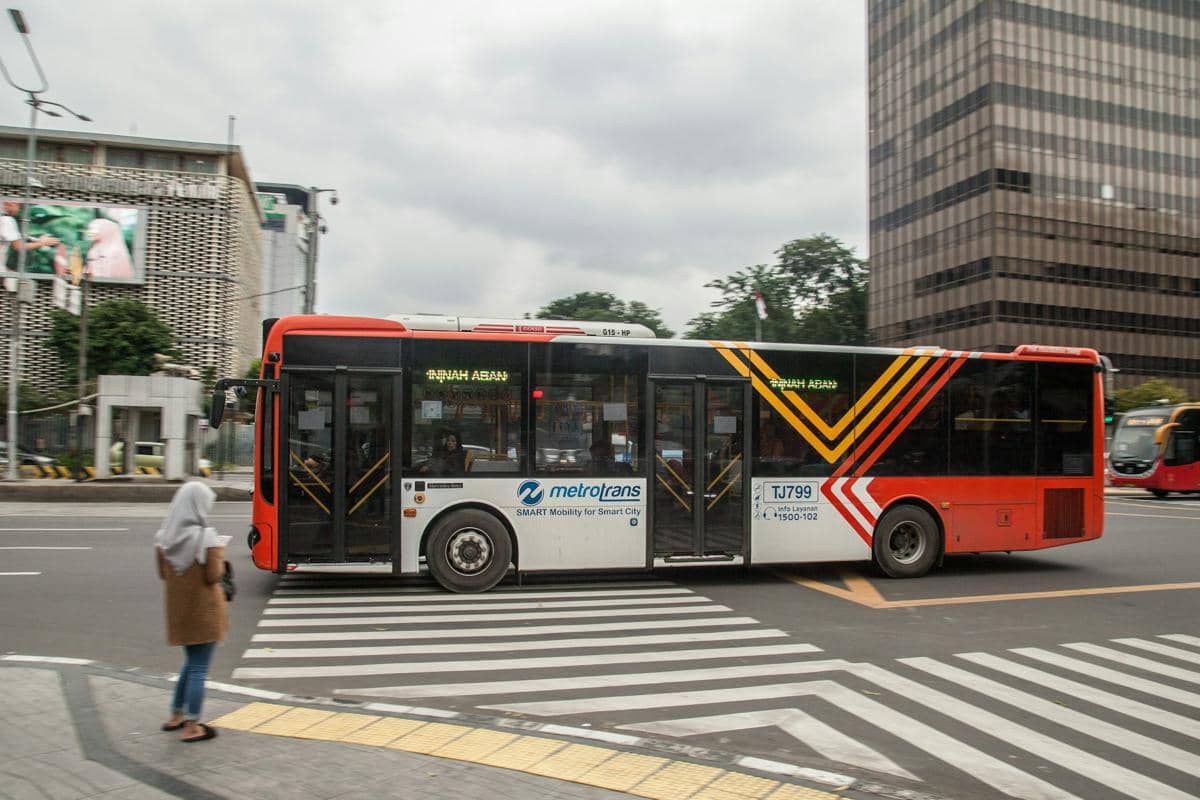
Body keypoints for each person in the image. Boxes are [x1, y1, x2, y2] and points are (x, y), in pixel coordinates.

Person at [155, 482, 228, 743]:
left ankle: (176, 715)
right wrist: (219, 550)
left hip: (180, 613)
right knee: (199, 668)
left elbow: (163, 574)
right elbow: (214, 575)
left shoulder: (163, 538)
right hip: (205, 612)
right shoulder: (205, 537)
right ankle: (193, 725)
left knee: (189, 663)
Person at [1, 200, 59, 271]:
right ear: (11, 203)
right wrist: (42, 243)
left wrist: (38, 240)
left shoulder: (4, 219)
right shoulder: (7, 220)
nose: (19, 209)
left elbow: (16, 237)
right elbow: (18, 246)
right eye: (19, 206)